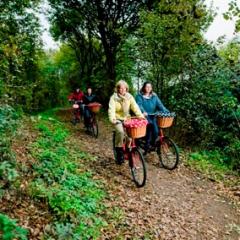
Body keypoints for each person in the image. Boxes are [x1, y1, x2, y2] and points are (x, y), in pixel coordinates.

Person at [108, 80, 144, 164]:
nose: (122, 90)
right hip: (117, 118)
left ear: (126, 89)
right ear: (117, 89)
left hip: (126, 118)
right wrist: (113, 119)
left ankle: (128, 148)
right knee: (120, 132)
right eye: (120, 88)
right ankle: (119, 151)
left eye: (124, 88)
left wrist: (141, 116)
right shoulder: (113, 98)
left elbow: (135, 107)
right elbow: (111, 109)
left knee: (131, 134)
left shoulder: (129, 97)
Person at [136, 82, 169, 154]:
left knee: (156, 131)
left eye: (150, 87)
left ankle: (151, 144)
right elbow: (139, 105)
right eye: (147, 87)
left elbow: (160, 105)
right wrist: (143, 112)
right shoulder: (139, 95)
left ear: (151, 88)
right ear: (144, 87)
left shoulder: (154, 96)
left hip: (152, 115)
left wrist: (166, 111)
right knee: (149, 127)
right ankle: (146, 145)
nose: (148, 88)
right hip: (143, 116)